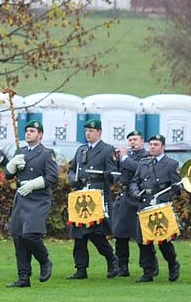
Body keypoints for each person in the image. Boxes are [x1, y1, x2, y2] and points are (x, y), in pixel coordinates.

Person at [4, 120, 59, 287]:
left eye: (32, 131)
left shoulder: (46, 153)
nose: (28, 133)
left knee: (31, 235)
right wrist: (12, 166)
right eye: (27, 131)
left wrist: (33, 184)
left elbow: (52, 177)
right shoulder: (20, 151)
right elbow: (7, 176)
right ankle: (23, 276)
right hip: (22, 197)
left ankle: (44, 261)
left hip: (38, 198)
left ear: (40, 134)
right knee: (18, 237)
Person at [65, 119, 120, 279]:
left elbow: (112, 173)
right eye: (87, 130)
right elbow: (73, 169)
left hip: (97, 195)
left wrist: (107, 175)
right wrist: (72, 179)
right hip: (81, 195)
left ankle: (111, 259)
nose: (88, 133)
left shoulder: (107, 149)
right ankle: (81, 269)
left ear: (99, 132)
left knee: (96, 233)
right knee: (79, 233)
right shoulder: (81, 150)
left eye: (92, 131)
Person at [129, 134, 182, 282]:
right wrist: (134, 192)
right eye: (151, 144)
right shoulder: (143, 163)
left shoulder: (171, 164)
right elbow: (135, 181)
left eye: (156, 144)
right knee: (143, 241)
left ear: (163, 147)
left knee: (163, 241)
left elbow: (179, 186)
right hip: (144, 202)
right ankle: (148, 271)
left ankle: (172, 264)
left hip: (161, 205)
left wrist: (176, 188)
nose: (152, 147)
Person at [111, 129, 148, 277]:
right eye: (130, 140)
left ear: (142, 141)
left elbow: (139, 169)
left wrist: (125, 158)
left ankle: (148, 266)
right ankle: (122, 266)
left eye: (135, 140)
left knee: (141, 235)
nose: (132, 142)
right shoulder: (126, 156)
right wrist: (116, 160)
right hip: (124, 197)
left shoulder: (146, 156)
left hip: (138, 199)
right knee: (120, 234)